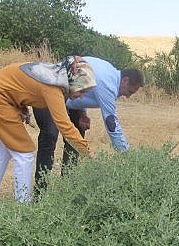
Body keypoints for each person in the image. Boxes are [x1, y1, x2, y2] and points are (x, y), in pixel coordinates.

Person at [0, 57, 96, 205]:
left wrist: (22, 107)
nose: (82, 96)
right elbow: (65, 126)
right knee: (24, 154)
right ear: (73, 80)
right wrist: (88, 153)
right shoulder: (53, 86)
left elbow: (20, 86)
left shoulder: (54, 78)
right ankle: (23, 209)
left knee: (2, 153)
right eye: (82, 90)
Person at [32, 56, 144, 193]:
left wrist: (82, 113)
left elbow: (80, 87)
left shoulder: (110, 73)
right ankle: (40, 193)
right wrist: (128, 156)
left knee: (78, 133)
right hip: (47, 93)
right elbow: (111, 124)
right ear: (125, 81)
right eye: (130, 92)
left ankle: (67, 189)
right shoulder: (108, 84)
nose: (128, 96)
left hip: (67, 98)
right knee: (50, 136)